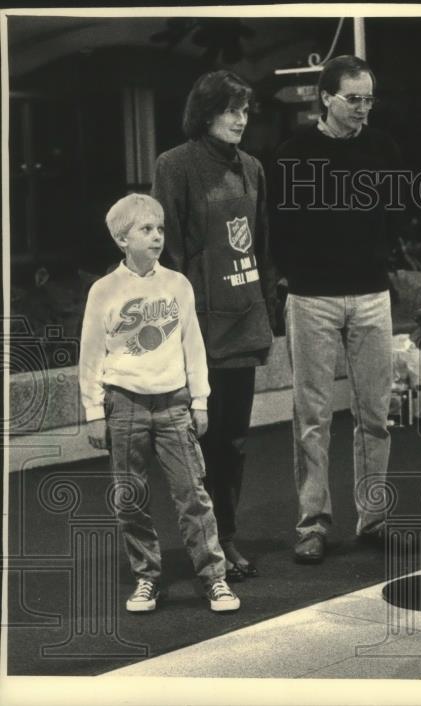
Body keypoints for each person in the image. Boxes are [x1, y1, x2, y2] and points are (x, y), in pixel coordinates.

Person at [270, 55, 404, 563]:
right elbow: (278, 225)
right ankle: (313, 522)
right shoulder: (293, 153)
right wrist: (293, 275)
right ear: (326, 97)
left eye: (369, 99)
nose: (363, 109)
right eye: (354, 99)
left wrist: (378, 259)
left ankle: (374, 518)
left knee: (376, 414)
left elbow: (395, 214)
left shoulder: (383, 148)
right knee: (312, 416)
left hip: (371, 292)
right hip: (312, 296)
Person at [79, 193, 240, 614]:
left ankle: (214, 578)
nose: (155, 237)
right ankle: (146, 576)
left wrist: (200, 400)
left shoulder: (177, 284)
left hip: (173, 404)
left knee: (192, 494)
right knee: (130, 497)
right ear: (121, 239)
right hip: (124, 403)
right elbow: (92, 354)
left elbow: (193, 345)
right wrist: (94, 411)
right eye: (145, 230)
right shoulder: (104, 291)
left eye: (160, 229)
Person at [153, 70, 275, 582]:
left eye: (245, 111)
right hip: (198, 329)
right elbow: (167, 249)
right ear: (205, 114)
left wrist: (266, 307)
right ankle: (204, 543)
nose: (239, 119)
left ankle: (225, 535)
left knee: (233, 442)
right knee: (196, 443)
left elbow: (262, 245)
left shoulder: (253, 168)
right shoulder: (175, 165)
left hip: (244, 323)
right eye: (230, 110)